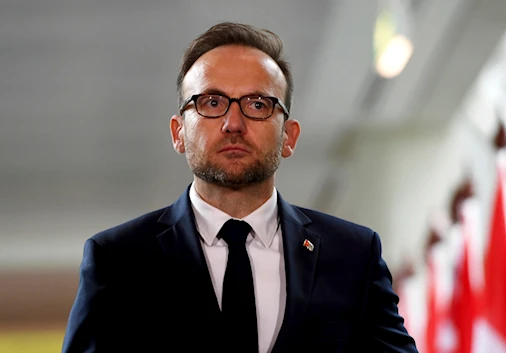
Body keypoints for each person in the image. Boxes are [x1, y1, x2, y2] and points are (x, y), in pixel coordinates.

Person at [62, 22, 418, 353]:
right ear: (178, 133)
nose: (234, 123)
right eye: (211, 102)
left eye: (258, 104)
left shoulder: (353, 255)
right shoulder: (118, 260)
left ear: (289, 137)